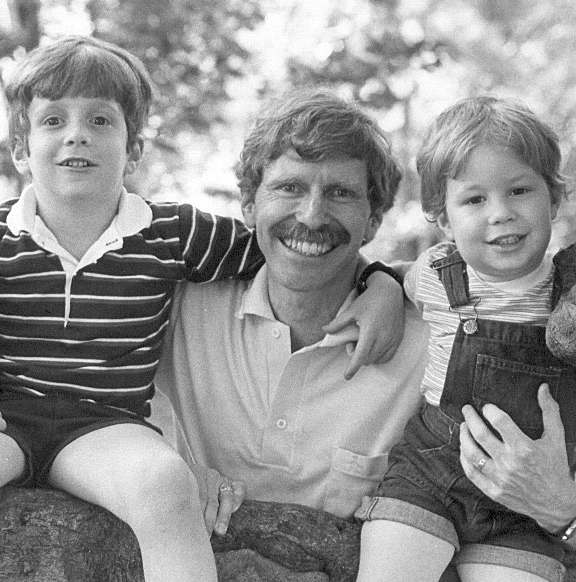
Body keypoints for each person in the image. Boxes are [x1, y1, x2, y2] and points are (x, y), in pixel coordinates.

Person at [0, 41, 402, 582]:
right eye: (53, 120)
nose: (77, 134)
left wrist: (381, 283)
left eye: (101, 120)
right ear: (21, 149)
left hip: (104, 426)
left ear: (134, 148)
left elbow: (294, 247)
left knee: (166, 487)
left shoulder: (174, 234)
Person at [150, 89, 428, 533]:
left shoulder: (427, 340)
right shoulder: (180, 300)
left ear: (373, 220)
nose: (312, 216)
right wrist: (165, 465)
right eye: (290, 187)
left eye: (340, 193)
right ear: (249, 204)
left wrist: (386, 280)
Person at [354, 96, 576, 582]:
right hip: (429, 476)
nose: (501, 213)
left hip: (527, 511)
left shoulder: (575, 298)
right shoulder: (436, 274)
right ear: (443, 218)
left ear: (554, 199)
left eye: (520, 190)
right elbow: (390, 276)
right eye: (475, 199)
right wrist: (377, 285)